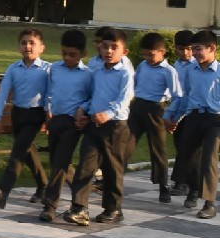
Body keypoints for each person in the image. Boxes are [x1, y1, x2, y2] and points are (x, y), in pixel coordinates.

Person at [63, 28, 134, 225]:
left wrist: (108, 113)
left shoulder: (125, 73)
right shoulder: (97, 71)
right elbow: (93, 96)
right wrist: (83, 109)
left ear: (124, 51)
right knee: (85, 165)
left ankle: (113, 209)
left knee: (112, 169)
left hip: (115, 126)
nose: (109, 51)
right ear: (99, 48)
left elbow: (125, 99)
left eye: (114, 47)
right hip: (95, 125)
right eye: (105, 47)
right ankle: (79, 208)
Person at [0, 29, 51, 209]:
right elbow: (3, 93)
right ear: (19, 47)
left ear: (41, 48)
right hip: (18, 114)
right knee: (28, 151)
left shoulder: (47, 69)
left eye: (32, 43)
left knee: (18, 152)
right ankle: (44, 185)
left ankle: (3, 189)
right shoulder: (13, 69)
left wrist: (49, 113)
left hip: (36, 114)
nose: (27, 46)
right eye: (24, 43)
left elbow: (51, 93)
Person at [165, 30, 220, 219]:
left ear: (211, 48)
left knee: (209, 159)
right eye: (193, 49)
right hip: (194, 117)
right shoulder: (191, 71)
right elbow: (185, 96)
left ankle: (209, 203)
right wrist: (172, 116)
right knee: (187, 155)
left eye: (198, 49)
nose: (194, 53)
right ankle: (194, 189)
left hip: (215, 120)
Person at [40, 29, 93, 222]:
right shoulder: (55, 68)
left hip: (73, 123)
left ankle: (50, 205)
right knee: (58, 161)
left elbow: (91, 98)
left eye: (73, 54)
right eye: (64, 53)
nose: (68, 58)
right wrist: (47, 110)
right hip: (55, 120)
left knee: (60, 161)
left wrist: (83, 108)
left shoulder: (88, 74)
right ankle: (79, 191)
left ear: (83, 54)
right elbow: (49, 92)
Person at [126, 31, 181, 202]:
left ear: (162, 52)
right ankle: (112, 178)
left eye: (151, 55)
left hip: (156, 109)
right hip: (138, 107)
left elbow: (177, 95)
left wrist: (171, 116)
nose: (148, 58)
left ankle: (163, 185)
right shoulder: (143, 65)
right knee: (125, 143)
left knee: (158, 148)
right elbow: (134, 84)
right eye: (145, 55)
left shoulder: (168, 71)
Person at [169, 29, 197, 195]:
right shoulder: (176, 65)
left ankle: (183, 182)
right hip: (177, 110)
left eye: (189, 49)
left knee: (188, 147)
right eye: (181, 49)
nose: (185, 53)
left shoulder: (197, 65)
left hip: (191, 112)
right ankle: (183, 181)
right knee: (180, 146)